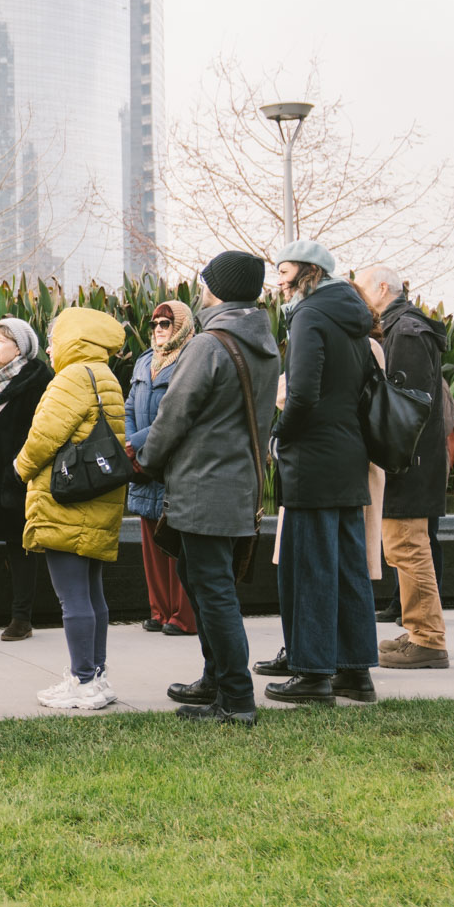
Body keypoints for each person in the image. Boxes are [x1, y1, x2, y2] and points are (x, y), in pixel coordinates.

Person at [136, 252, 279, 726]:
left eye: (205, 284)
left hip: (202, 486)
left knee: (213, 592)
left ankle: (236, 700)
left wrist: (147, 461)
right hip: (238, 485)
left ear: (217, 289)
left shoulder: (208, 345)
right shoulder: (264, 341)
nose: (200, 291)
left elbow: (174, 413)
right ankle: (215, 678)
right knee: (203, 586)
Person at [261, 240, 381, 706]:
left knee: (310, 567)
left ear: (310, 272)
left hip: (313, 457)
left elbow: (303, 394)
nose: (279, 281)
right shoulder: (351, 317)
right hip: (348, 455)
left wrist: (280, 435)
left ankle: (311, 674)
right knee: (348, 568)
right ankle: (355, 673)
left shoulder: (311, 316)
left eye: (285, 271)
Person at [13, 306, 129, 712]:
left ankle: (82, 682)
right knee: (92, 592)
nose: (49, 346)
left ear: (72, 339)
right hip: (98, 496)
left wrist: (20, 466)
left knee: (72, 597)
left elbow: (46, 434)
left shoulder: (72, 376)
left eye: (54, 338)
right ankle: (95, 676)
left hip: (66, 499)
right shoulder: (105, 374)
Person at [354, 264, 452, 671]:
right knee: (403, 548)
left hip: (409, 463)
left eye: (360, 287)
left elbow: (405, 409)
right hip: (412, 461)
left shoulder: (406, 332)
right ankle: (418, 629)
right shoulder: (403, 326)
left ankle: (428, 640)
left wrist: (391, 459)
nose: (357, 294)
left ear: (381, 287)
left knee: (409, 548)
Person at [125, 300, 198, 637]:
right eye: (154, 324)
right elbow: (129, 407)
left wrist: (137, 442)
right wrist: (131, 442)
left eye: (165, 324)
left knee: (176, 544)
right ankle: (160, 610)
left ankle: (183, 616)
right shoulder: (143, 362)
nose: (157, 330)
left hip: (173, 463)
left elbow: (177, 415)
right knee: (151, 544)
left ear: (181, 326)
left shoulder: (190, 361)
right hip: (143, 465)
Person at [0, 318, 52, 642]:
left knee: (20, 548)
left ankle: (21, 619)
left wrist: (18, 471)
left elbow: (41, 431)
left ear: (20, 347)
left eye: (2, 339)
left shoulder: (39, 380)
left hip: (17, 477)